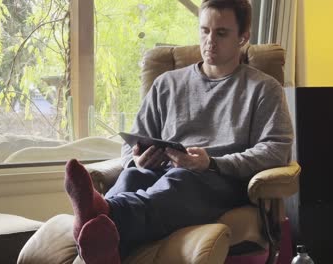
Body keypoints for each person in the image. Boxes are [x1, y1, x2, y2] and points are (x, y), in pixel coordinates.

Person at [64, 0, 293, 263]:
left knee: (179, 181)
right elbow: (132, 142)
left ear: (243, 37)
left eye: (221, 33)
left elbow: (276, 150)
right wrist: (135, 158)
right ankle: (102, 238)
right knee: (130, 178)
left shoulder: (264, 89)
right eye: (204, 30)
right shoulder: (166, 84)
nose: (210, 41)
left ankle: (99, 217)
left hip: (220, 180)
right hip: (163, 170)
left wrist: (212, 162)